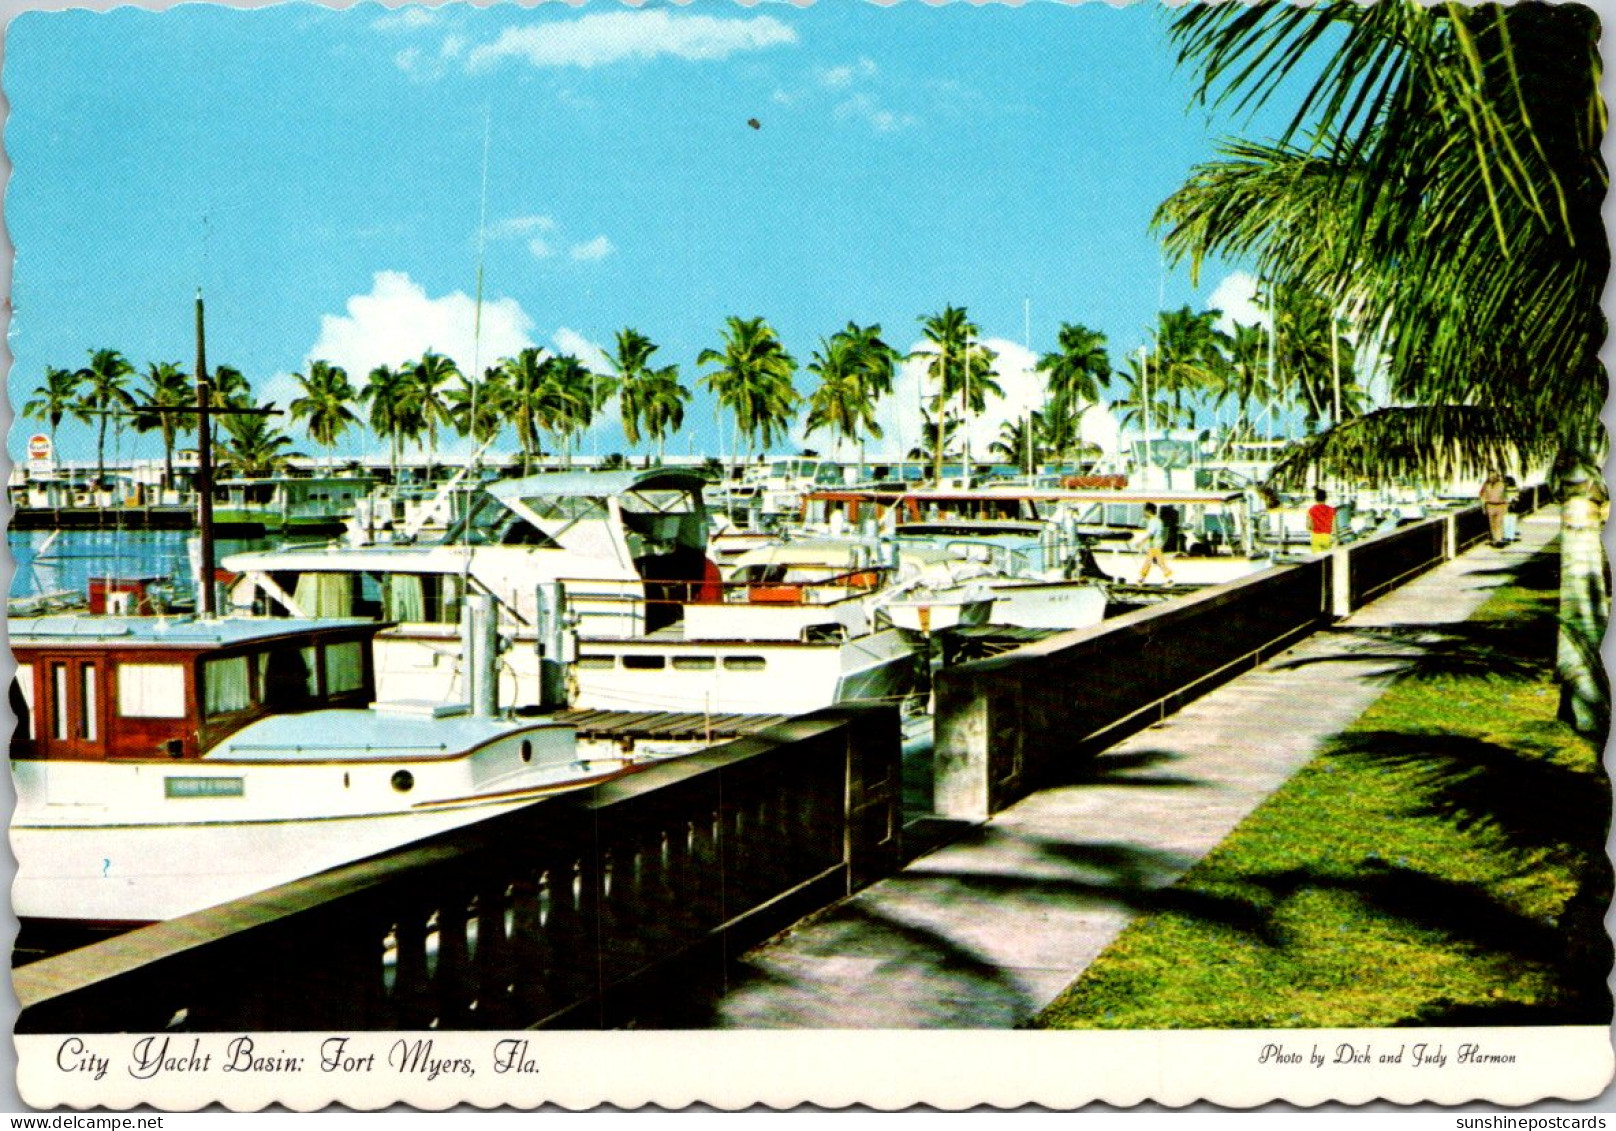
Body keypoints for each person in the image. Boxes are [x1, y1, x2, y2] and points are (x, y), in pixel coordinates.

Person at [1135, 502, 1173, 584]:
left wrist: (1140, 542)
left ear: (1149, 511)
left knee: (1156, 562)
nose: (1144, 513)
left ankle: (1169, 579)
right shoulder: (1158, 521)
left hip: (1154, 545)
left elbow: (1151, 534)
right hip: (1156, 545)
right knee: (1154, 562)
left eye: (1144, 511)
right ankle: (1141, 579)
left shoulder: (1153, 521)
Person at [1479, 472, 1509, 546]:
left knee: (1499, 523)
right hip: (1490, 506)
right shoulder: (1486, 485)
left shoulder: (1501, 484)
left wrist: (1506, 506)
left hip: (1500, 506)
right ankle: (1495, 539)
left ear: (1497, 476)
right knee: (1492, 524)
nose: (1492, 477)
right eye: (1490, 475)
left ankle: (1499, 539)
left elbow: (1506, 496)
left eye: (1494, 476)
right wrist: (1483, 507)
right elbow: (1482, 496)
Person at [1307, 488, 1336, 553]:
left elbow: (1308, 526)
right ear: (1326, 498)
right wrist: (1335, 540)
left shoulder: (1311, 510)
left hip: (1316, 537)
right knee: (1326, 559)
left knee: (1317, 560)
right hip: (1327, 537)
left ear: (1315, 498)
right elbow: (1334, 528)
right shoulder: (1331, 510)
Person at [1502, 476, 1520, 543]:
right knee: (1512, 521)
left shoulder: (1505, 489)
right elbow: (1517, 497)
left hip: (1507, 505)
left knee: (1506, 521)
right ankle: (1511, 536)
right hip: (1514, 506)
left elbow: (1503, 497)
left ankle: (1507, 536)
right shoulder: (1516, 488)